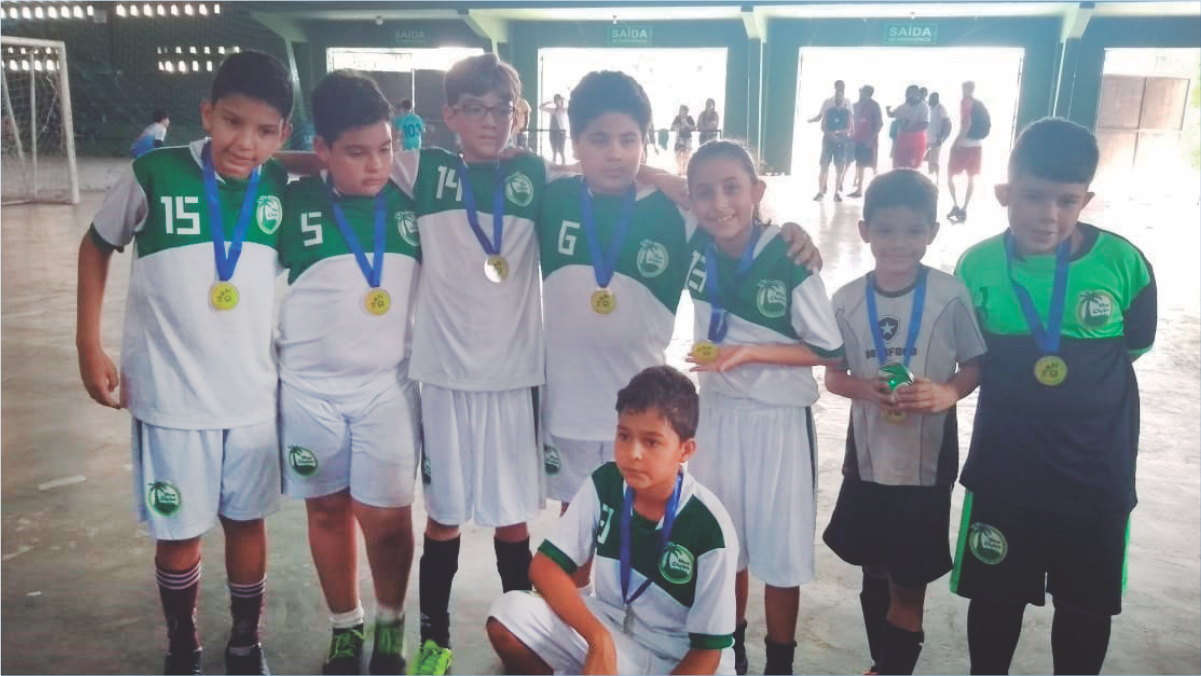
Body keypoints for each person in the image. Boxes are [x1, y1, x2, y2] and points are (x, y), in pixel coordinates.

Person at [536, 71, 818, 564]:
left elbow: (737, 218)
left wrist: (790, 230)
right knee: (577, 524)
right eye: (598, 140)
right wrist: (658, 172)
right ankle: (579, 631)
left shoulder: (677, 213)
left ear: (646, 142)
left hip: (643, 406)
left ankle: (640, 628)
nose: (615, 153)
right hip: (569, 403)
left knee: (645, 521)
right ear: (575, 141)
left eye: (630, 140)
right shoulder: (554, 196)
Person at [76, 50, 293, 676]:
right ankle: (183, 644)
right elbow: (96, 246)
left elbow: (321, 166)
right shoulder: (156, 173)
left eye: (265, 131)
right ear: (206, 114)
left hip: (251, 397)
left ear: (282, 135)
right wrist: (88, 344)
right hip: (171, 397)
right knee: (179, 532)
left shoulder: (278, 185)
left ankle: (246, 642)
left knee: (247, 524)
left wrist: (304, 156)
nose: (245, 143)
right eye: (231, 122)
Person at [386, 54, 573, 676]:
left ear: (519, 115)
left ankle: (521, 631)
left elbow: (604, 177)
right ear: (450, 116)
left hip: (515, 377)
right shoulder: (422, 169)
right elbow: (346, 155)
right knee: (442, 518)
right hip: (441, 376)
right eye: (477, 109)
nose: (492, 122)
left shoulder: (537, 177)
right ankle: (434, 640)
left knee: (511, 518)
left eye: (504, 110)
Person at [952, 118, 1157, 676]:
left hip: (1096, 477)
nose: (1049, 215)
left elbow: (1135, 345)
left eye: (1067, 201)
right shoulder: (978, 267)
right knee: (995, 601)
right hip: (1005, 473)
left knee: (1086, 609)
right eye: (1034, 196)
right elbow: (967, 353)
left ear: (1086, 198)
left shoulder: (1124, 264)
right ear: (1004, 194)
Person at [277, 71, 421, 676]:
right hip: (307, 390)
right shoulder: (288, 201)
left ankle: (390, 626)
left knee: (389, 521)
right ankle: (344, 624)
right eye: (356, 152)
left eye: (384, 148)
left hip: (386, 389)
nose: (375, 165)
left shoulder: (416, 197)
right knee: (327, 512)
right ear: (323, 152)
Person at [684, 140, 845, 676]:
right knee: (724, 545)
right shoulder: (693, 246)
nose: (719, 203)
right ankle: (733, 650)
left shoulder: (789, 256)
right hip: (718, 418)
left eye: (732, 188)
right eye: (703, 192)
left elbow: (828, 349)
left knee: (781, 555)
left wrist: (750, 352)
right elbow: (651, 178)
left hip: (779, 422)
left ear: (757, 192)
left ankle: (781, 663)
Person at [823, 169, 986, 676]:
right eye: (887, 230)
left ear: (932, 233)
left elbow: (977, 365)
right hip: (868, 459)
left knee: (908, 578)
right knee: (873, 565)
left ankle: (896, 668)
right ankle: (882, 662)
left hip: (924, 465)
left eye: (914, 231)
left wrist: (947, 392)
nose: (900, 243)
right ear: (865, 230)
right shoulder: (847, 299)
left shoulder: (950, 294)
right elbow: (832, 376)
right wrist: (860, 388)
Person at [487, 366, 740, 676]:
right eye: (623, 436)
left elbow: (707, 652)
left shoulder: (709, 526)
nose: (632, 453)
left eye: (651, 442)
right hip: (613, 628)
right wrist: (598, 639)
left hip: (680, 657)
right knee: (509, 614)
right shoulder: (605, 484)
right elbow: (544, 566)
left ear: (685, 450)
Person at [947, 81, 987, 223]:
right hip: (977, 145)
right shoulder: (977, 103)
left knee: (950, 176)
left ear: (965, 89)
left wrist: (956, 141)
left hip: (964, 145)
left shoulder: (965, 102)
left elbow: (967, 123)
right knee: (971, 177)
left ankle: (956, 205)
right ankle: (964, 208)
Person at [812, 82, 854, 202]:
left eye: (840, 96)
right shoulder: (828, 111)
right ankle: (820, 191)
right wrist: (830, 135)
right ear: (834, 98)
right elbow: (823, 126)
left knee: (839, 168)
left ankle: (836, 193)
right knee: (823, 166)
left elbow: (849, 127)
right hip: (828, 142)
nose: (838, 98)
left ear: (843, 98)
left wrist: (838, 133)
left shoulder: (847, 113)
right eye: (836, 96)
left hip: (841, 142)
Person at [849, 85, 883, 199]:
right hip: (857, 139)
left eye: (861, 91)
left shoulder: (874, 106)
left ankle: (875, 189)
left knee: (871, 165)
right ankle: (859, 189)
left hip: (868, 140)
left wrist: (871, 138)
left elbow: (879, 123)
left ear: (866, 93)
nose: (859, 93)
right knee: (860, 164)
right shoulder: (856, 105)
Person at [887, 86, 929, 170]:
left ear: (917, 94)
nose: (907, 95)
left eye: (910, 93)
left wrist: (910, 129)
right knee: (898, 165)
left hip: (916, 141)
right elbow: (893, 114)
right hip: (902, 138)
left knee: (912, 167)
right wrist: (887, 110)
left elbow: (925, 125)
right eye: (907, 93)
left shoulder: (923, 107)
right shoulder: (904, 106)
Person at [925, 93, 952, 183]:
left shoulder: (940, 108)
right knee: (929, 160)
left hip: (936, 140)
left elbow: (947, 122)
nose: (930, 100)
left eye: (931, 98)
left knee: (934, 160)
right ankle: (930, 177)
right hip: (928, 139)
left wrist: (941, 137)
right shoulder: (931, 108)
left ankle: (936, 179)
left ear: (936, 98)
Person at [541, 94, 569, 165]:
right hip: (552, 131)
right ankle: (554, 164)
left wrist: (564, 100)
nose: (556, 101)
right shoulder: (552, 110)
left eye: (557, 99)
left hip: (560, 132)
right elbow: (540, 107)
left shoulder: (563, 109)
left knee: (561, 150)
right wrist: (547, 102)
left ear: (560, 100)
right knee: (554, 150)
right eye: (555, 99)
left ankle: (563, 165)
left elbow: (572, 108)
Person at [670, 104, 696, 175]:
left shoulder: (689, 118)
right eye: (680, 110)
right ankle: (679, 168)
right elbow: (671, 128)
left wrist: (686, 124)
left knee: (686, 154)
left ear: (686, 111)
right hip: (679, 138)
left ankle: (684, 168)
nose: (680, 112)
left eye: (681, 110)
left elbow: (694, 128)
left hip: (687, 138)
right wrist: (675, 127)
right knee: (677, 153)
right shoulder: (677, 118)